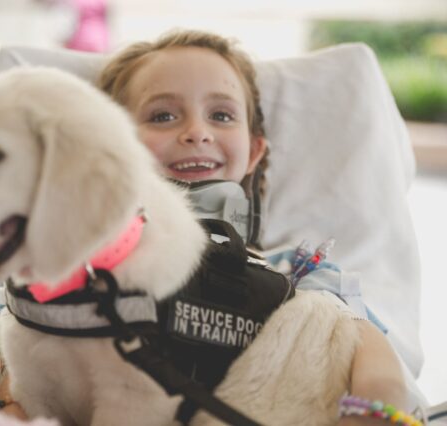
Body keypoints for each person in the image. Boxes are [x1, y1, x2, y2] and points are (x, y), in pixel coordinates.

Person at [96, 29, 419, 426]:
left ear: (253, 152)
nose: (197, 131)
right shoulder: (79, 269)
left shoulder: (295, 277)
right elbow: (19, 361)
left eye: (221, 115)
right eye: (163, 115)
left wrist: (374, 410)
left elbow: (369, 359)